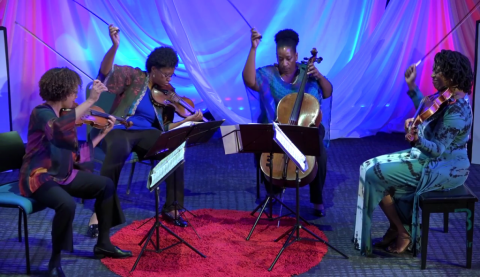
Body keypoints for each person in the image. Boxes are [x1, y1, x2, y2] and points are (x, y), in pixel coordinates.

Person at [353, 50, 473, 256]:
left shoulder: (457, 110)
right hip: (428, 158)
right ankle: (396, 228)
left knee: (374, 175)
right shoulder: (446, 98)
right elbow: (428, 109)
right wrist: (412, 87)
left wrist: (417, 139)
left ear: (452, 75)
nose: (433, 74)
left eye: (439, 71)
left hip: (446, 167)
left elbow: (437, 150)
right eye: (434, 70)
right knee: (368, 166)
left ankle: (403, 232)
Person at [87, 24, 203, 234]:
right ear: (153, 70)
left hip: (146, 133)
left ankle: (172, 208)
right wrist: (114, 46)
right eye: (166, 74)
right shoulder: (133, 76)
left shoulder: (165, 95)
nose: (169, 79)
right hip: (119, 129)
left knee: (175, 148)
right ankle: (100, 211)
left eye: (171, 75)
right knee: (116, 151)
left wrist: (187, 121)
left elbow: (166, 126)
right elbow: (105, 73)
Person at [19, 67, 132, 277]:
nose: (76, 97)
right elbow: (58, 128)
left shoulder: (66, 117)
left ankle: (104, 243)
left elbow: (77, 155)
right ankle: (54, 261)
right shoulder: (41, 113)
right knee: (67, 204)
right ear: (64, 92)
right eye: (74, 92)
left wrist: (101, 135)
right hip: (39, 176)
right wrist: (90, 101)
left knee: (105, 185)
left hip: (63, 173)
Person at [242, 28, 333, 216]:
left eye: (289, 58)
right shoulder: (269, 74)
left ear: (296, 55)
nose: (284, 63)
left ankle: (317, 199)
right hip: (278, 127)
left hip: (305, 126)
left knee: (320, 153)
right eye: (280, 58)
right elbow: (249, 80)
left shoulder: (307, 72)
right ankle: (272, 191)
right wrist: (253, 49)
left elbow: (327, 92)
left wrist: (319, 76)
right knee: (261, 143)